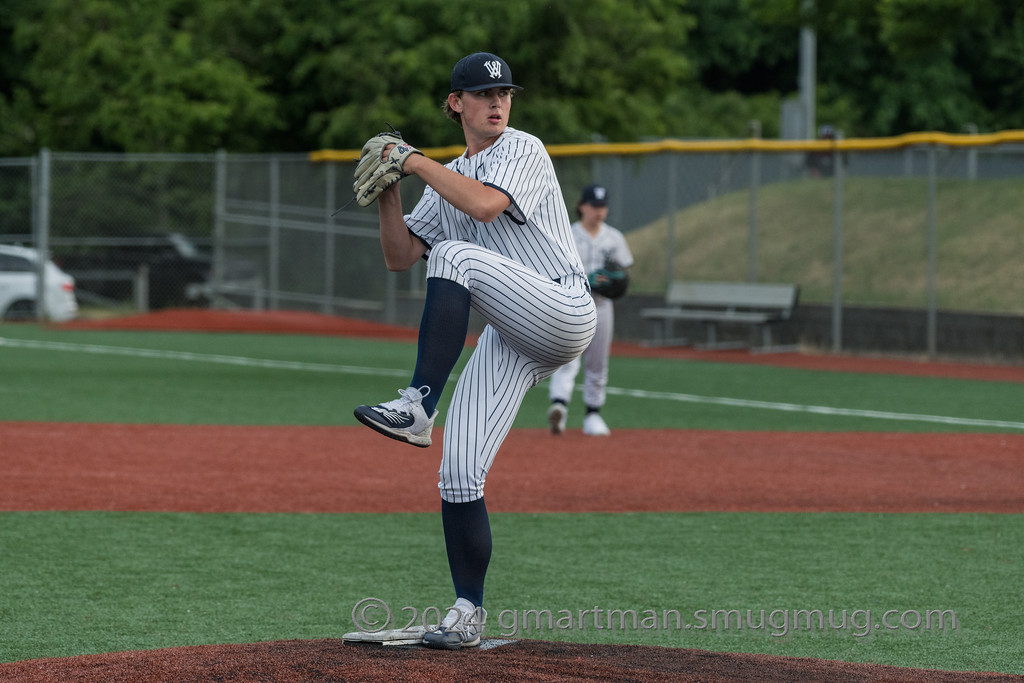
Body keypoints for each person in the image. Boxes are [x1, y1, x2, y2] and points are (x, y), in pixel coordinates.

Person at [352, 52, 596, 649]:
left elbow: (485, 206)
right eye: (484, 95)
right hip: (513, 333)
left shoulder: (524, 149)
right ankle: (468, 614)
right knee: (459, 472)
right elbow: (400, 256)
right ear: (455, 103)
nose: (497, 103)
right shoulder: (450, 176)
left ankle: (416, 404)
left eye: (505, 93)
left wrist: (411, 160)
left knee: (455, 256)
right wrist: (390, 189)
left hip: (562, 310)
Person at [547, 184, 634, 436]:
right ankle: (559, 406)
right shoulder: (567, 234)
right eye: (594, 206)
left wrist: (615, 282)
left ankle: (593, 415)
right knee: (567, 358)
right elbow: (554, 269)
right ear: (582, 206)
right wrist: (587, 278)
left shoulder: (614, 237)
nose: (599, 211)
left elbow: (623, 274)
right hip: (571, 304)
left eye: (603, 206)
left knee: (598, 362)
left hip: (602, 306)